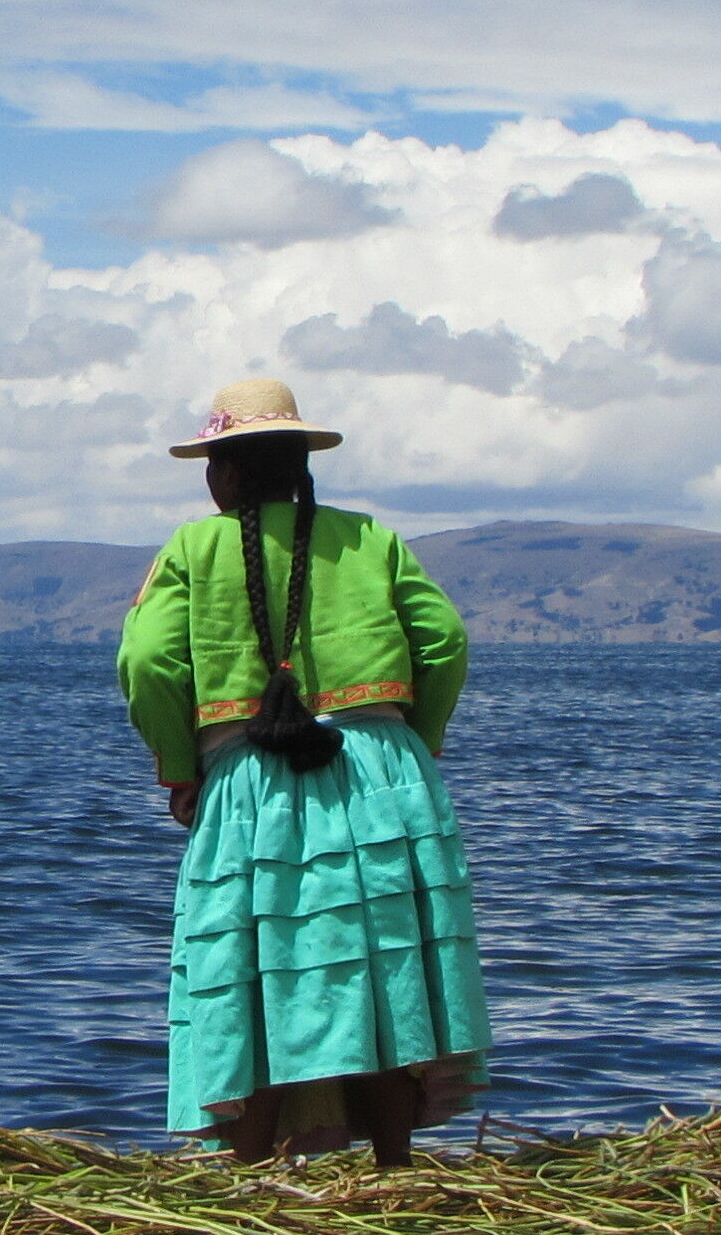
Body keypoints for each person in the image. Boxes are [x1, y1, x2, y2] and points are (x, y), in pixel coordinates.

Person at [115, 378, 486, 1166]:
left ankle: (246, 1182)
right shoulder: (371, 540)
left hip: (253, 783)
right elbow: (446, 640)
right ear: (300, 466)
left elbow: (147, 664)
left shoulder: (191, 549)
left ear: (224, 472)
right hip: (380, 777)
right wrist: (414, 741)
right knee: (383, 964)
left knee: (252, 970)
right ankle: (394, 1168)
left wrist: (181, 769)